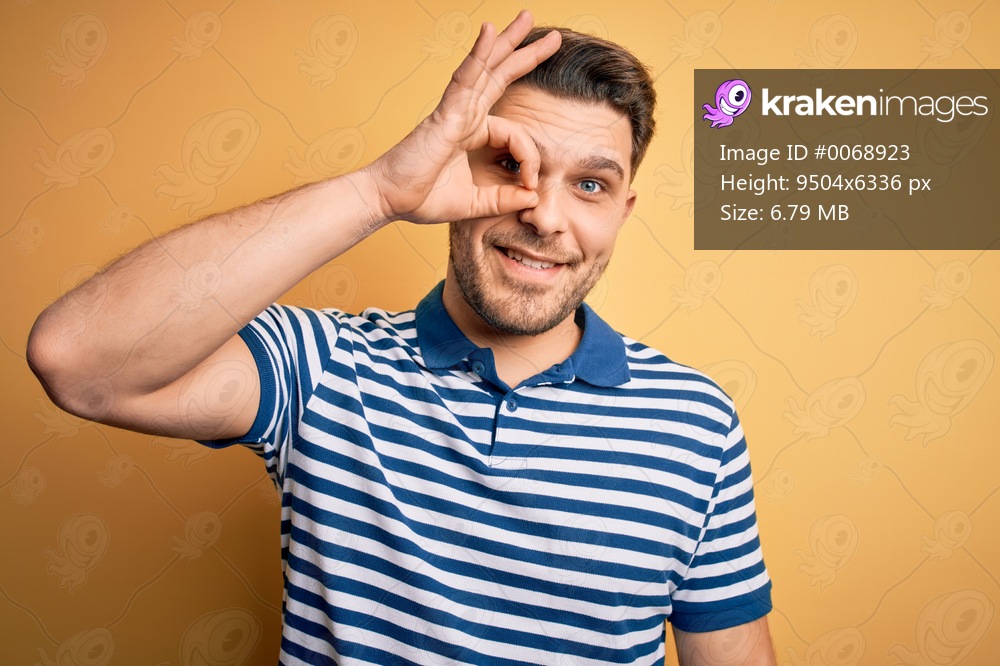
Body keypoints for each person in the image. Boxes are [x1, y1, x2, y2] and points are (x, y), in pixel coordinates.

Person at [28, 11, 775, 665]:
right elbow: (78, 362)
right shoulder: (322, 369)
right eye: (512, 163)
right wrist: (378, 191)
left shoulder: (695, 423)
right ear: (455, 166)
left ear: (624, 210)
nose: (546, 217)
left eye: (590, 185)